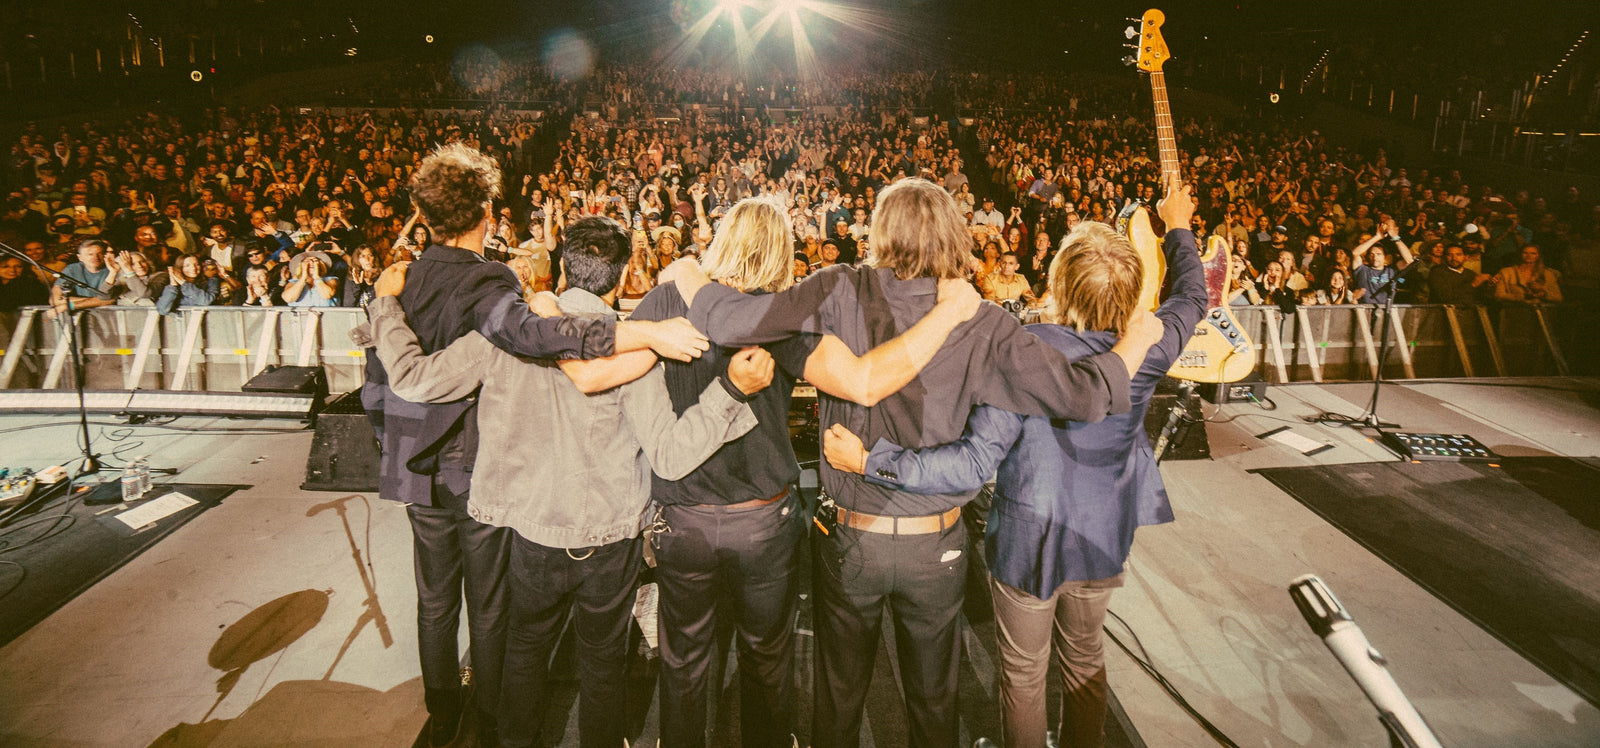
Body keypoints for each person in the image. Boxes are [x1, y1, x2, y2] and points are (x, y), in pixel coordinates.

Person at [661, 177, 1164, 748]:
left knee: (840, 696)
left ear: (879, 232)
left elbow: (729, 321)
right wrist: (1137, 341)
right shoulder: (985, 319)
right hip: (936, 544)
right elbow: (1087, 395)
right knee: (933, 703)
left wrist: (690, 274)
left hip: (851, 539)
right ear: (954, 233)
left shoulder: (835, 287)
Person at [360, 215, 772, 748]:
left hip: (530, 532)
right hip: (608, 539)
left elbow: (415, 379)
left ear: (559, 269)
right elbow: (670, 456)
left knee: (525, 648)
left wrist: (385, 304)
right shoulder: (633, 350)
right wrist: (731, 394)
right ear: (623, 281)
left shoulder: (505, 335)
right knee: (603, 659)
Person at [818, 185, 1205, 748]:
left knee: (1025, 673)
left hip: (1030, 539)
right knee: (1086, 659)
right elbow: (1193, 297)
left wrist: (873, 459)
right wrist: (1178, 227)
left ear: (1059, 282)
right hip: (1104, 532)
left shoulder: (1022, 350)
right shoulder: (1146, 345)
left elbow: (971, 462)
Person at [630, 197, 982, 748]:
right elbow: (859, 382)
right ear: (781, 251)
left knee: (685, 659)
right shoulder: (782, 316)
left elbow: (620, 379)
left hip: (682, 517)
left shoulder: (662, 299)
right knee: (767, 654)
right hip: (762, 519)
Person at [49, 238, 118, 314]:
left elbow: (112, 300)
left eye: (99, 253)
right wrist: (96, 301)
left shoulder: (114, 269)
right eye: (90, 254)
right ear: (80, 257)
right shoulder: (72, 269)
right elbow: (54, 299)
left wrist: (69, 305)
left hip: (109, 315)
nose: (95, 257)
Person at [1493, 244, 1562, 306]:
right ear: (1520, 254)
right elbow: (1498, 295)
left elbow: (1558, 297)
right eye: (1525, 253)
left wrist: (1543, 293)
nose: (1529, 256)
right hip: (1514, 311)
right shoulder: (1506, 272)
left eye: (1533, 253)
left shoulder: (1547, 274)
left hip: (1540, 312)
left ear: (1538, 256)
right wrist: (1522, 297)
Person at [1427, 245, 1493, 307]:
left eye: (1458, 255)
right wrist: (1473, 284)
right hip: (1443, 314)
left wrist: (1489, 286)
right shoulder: (1437, 272)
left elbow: (1480, 298)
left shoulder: (1470, 274)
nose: (1454, 258)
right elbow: (1446, 298)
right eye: (1450, 255)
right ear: (1445, 257)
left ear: (1466, 257)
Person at [156, 254, 221, 315]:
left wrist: (184, 283)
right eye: (187, 265)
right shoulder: (172, 287)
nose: (193, 268)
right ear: (180, 268)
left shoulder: (211, 281)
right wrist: (173, 284)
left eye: (197, 264)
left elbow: (205, 301)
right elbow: (162, 310)